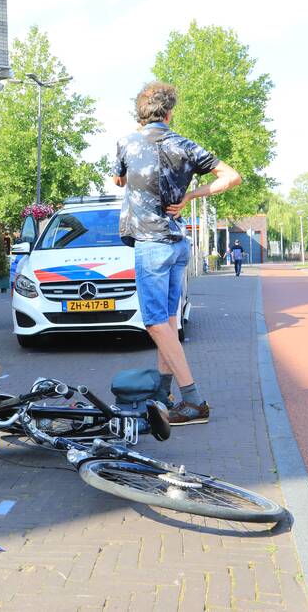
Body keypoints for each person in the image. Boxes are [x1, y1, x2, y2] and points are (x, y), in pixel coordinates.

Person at [112, 81, 242, 425]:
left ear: (140, 115)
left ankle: (193, 399)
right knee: (170, 322)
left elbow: (119, 181)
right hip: (176, 243)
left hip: (150, 245)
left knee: (155, 324)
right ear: (169, 113)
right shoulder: (184, 145)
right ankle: (162, 393)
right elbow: (232, 177)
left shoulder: (127, 142)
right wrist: (191, 195)